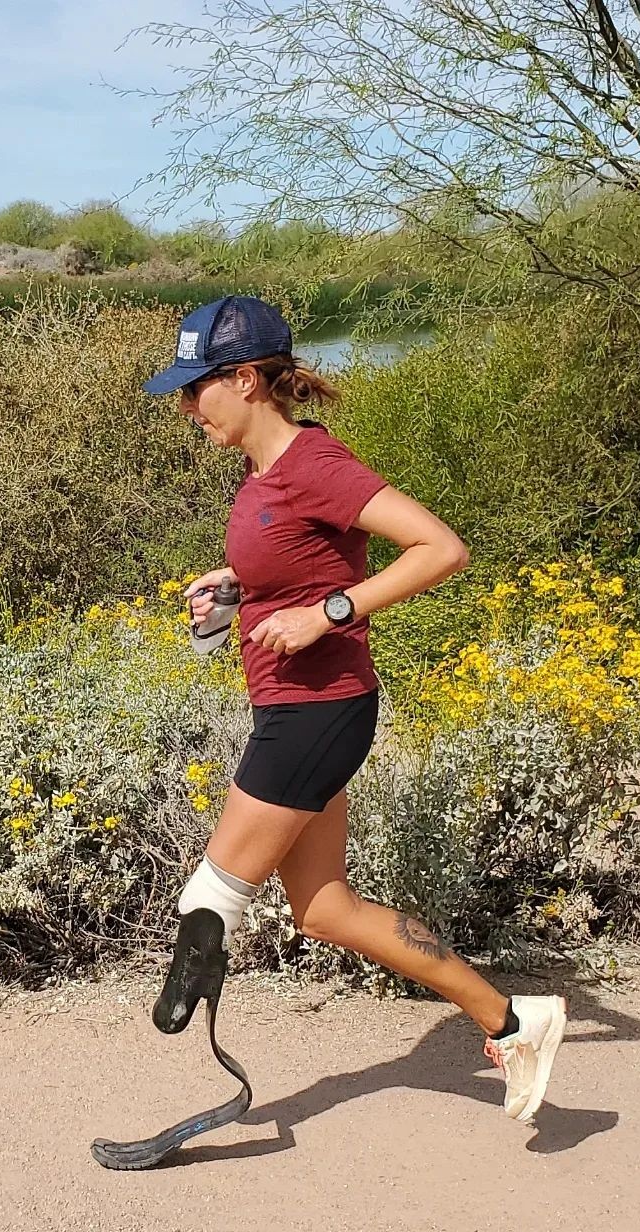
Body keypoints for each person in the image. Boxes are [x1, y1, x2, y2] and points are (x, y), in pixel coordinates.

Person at [143, 295, 565, 1124]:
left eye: (197, 389)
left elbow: (441, 548)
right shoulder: (263, 476)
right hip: (295, 709)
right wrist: (236, 595)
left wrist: (331, 613)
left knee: (213, 896)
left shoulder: (314, 465)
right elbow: (294, 568)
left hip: (319, 712)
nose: (188, 408)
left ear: (246, 380)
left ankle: (208, 1057)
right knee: (325, 909)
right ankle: (515, 1021)